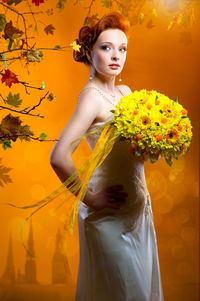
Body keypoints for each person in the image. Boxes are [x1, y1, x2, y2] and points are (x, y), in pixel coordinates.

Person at [50, 11, 164, 301]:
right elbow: (59, 156)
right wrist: (90, 198)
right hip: (108, 217)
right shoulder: (92, 97)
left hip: (138, 213)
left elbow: (141, 157)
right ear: (90, 51)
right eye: (106, 47)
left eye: (122, 48)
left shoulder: (126, 93)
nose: (116, 55)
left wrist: (159, 144)